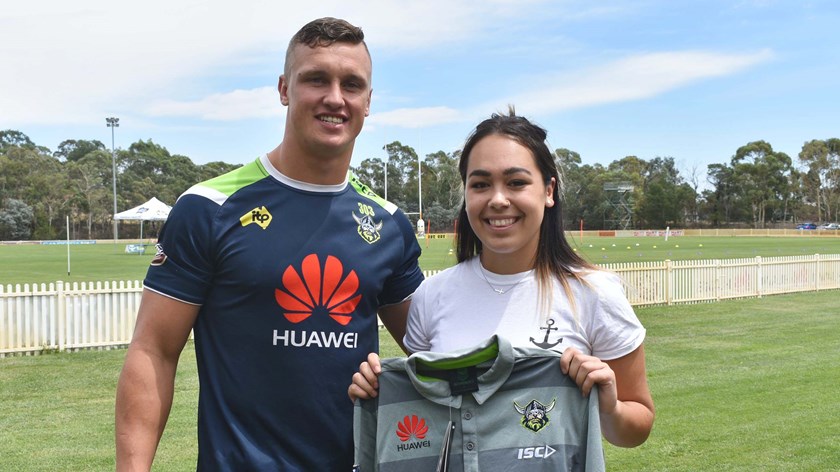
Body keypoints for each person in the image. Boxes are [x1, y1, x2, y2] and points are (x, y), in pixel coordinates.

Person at [115, 17, 424, 471]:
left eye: (351, 84)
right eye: (316, 79)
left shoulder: (388, 223)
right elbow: (153, 352)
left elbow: (433, 352)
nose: (335, 98)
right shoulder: (209, 208)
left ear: (368, 101)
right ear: (284, 88)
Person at [349, 108, 654, 448]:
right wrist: (378, 391)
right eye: (480, 184)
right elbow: (426, 420)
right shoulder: (431, 297)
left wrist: (608, 405)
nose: (497, 199)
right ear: (466, 194)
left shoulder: (594, 293)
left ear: (548, 190)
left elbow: (637, 425)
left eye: (516, 182)